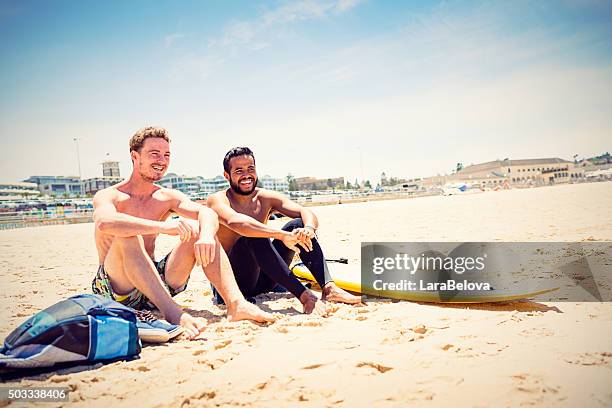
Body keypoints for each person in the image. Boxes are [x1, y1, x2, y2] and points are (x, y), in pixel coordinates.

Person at [92, 127, 275, 340]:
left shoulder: (165, 196)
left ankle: (237, 305)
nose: (162, 160)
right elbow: (105, 222)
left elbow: (206, 212)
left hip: (156, 286)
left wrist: (206, 236)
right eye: (154, 154)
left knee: (200, 228)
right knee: (128, 236)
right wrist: (162, 227)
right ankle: (174, 314)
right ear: (135, 156)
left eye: (166, 155)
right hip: (117, 289)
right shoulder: (110, 195)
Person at [207, 147, 361, 315]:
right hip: (232, 285)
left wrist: (308, 229)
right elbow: (236, 222)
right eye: (239, 171)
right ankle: (306, 297)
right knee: (253, 234)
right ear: (227, 176)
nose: (246, 175)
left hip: (264, 279)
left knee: (297, 225)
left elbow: (305, 212)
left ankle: (329, 288)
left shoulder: (265, 197)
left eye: (250, 169)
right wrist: (281, 235)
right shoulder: (218, 200)